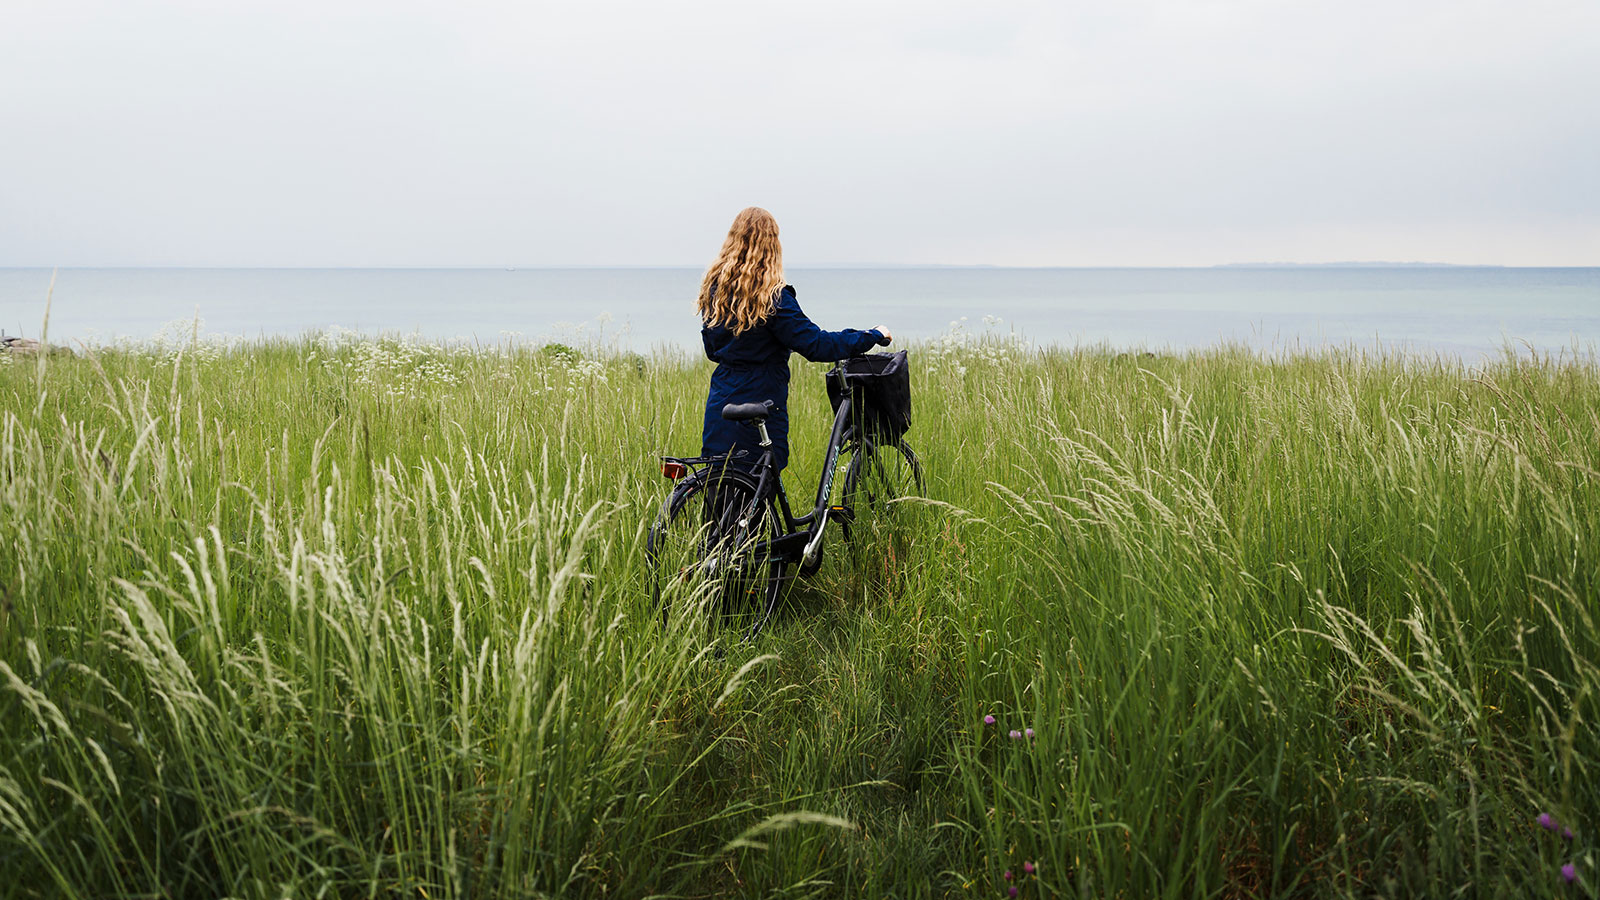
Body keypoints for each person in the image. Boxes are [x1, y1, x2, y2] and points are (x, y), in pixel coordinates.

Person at [698, 207, 891, 473]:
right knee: (761, 477)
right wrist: (871, 335)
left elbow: (712, 350)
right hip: (761, 399)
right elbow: (817, 345)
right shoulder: (773, 298)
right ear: (772, 247)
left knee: (721, 480)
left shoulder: (715, 293)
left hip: (722, 401)